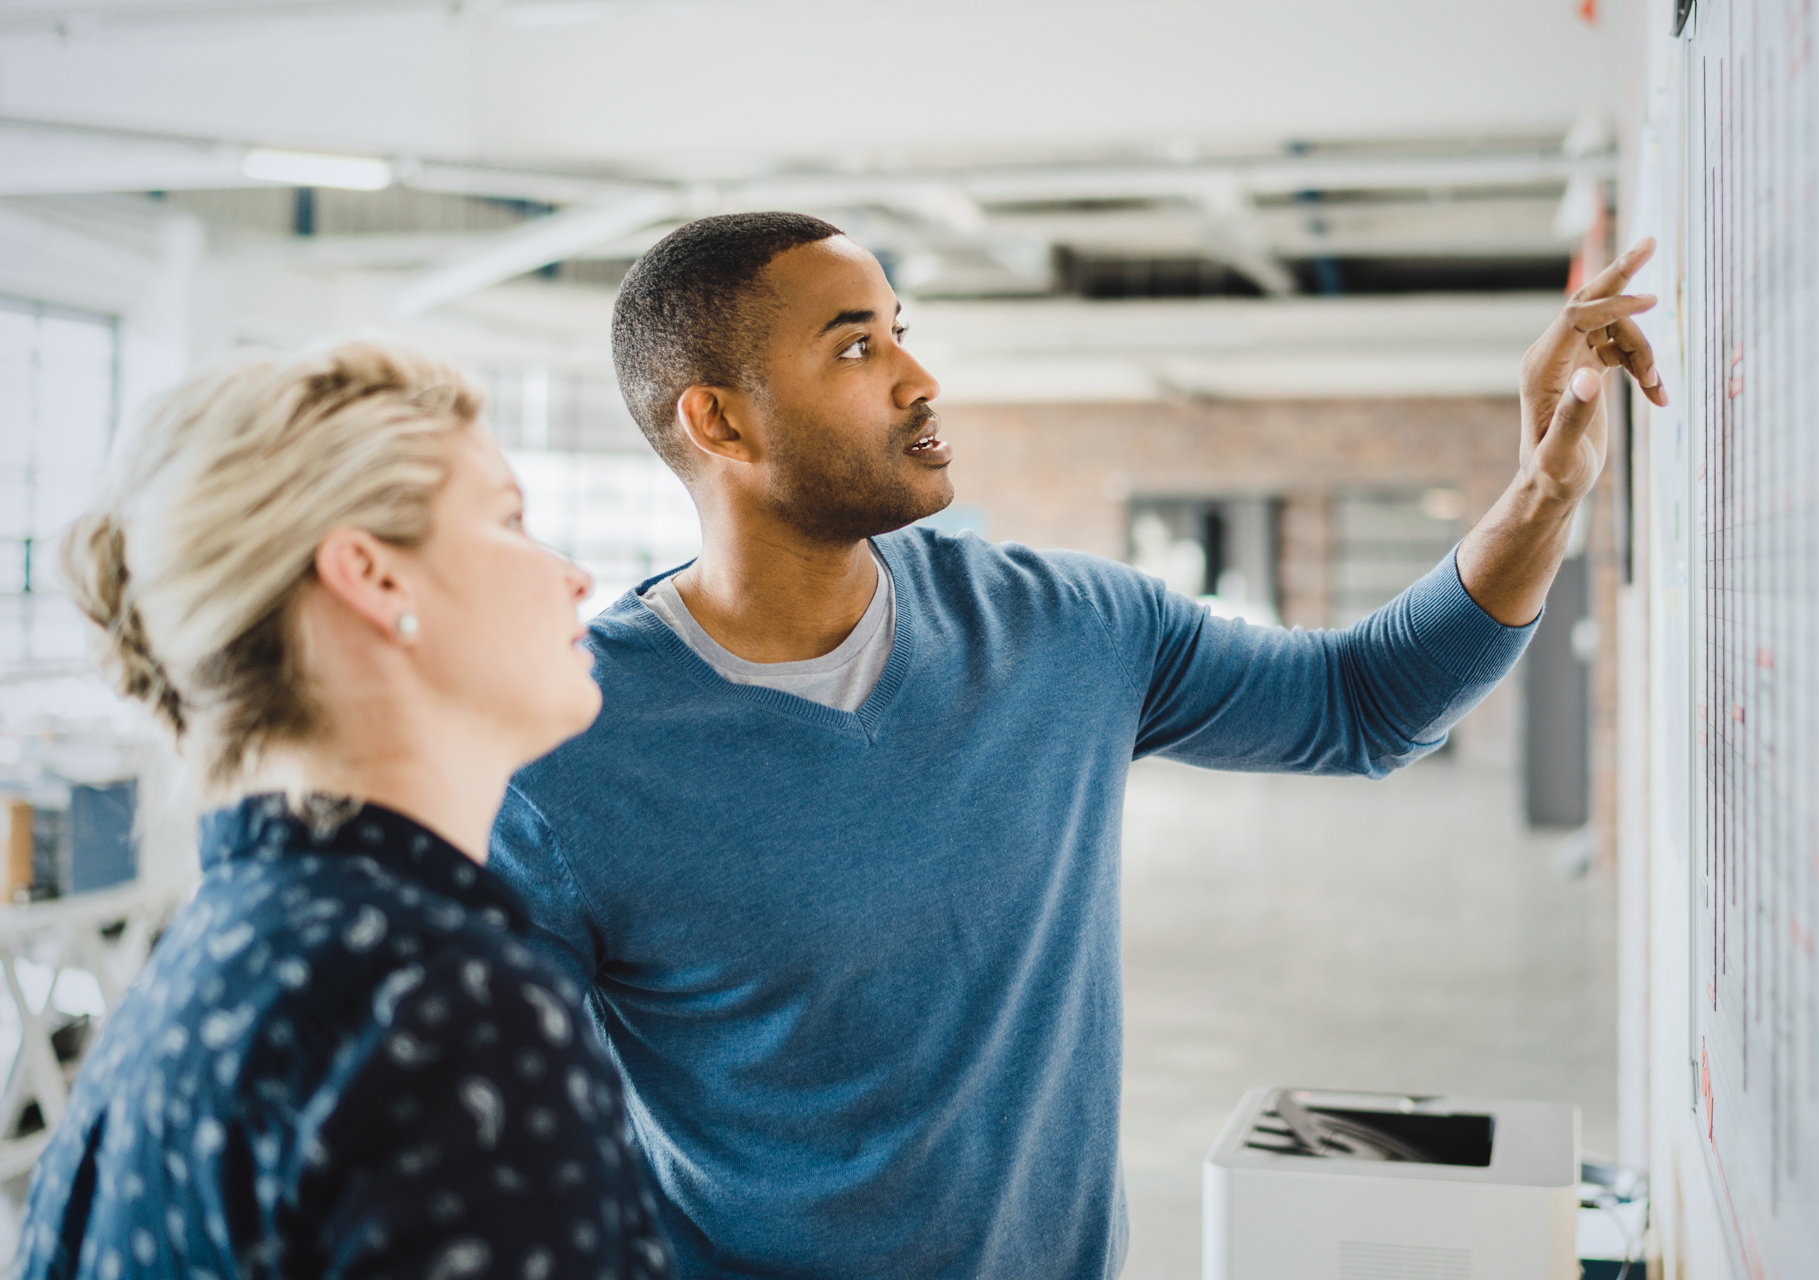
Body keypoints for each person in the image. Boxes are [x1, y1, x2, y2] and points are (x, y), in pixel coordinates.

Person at [490, 213, 1668, 1280]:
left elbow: (1364, 702)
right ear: (719, 419)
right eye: (856, 347)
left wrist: (1545, 491)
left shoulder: (1067, 628)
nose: (917, 375)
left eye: (902, 330)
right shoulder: (563, 749)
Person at [18, 344, 676, 1279]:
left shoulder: (222, 964)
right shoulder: (444, 1008)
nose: (571, 576)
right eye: (510, 520)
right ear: (373, 577)